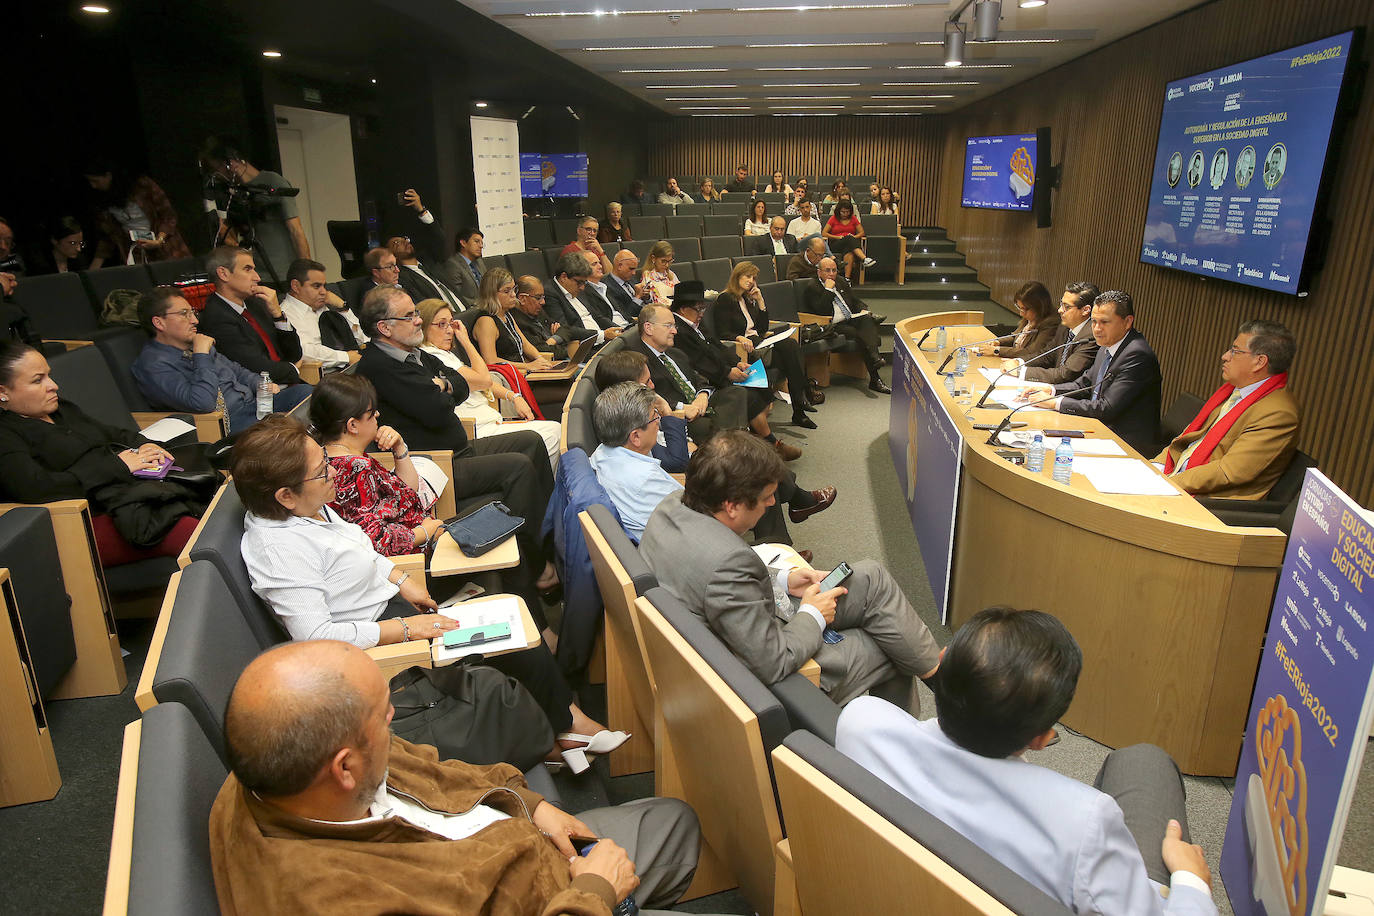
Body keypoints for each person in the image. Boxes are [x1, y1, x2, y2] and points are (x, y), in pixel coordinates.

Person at [209, 640, 703, 914]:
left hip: (525, 845)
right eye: (384, 715)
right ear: (343, 768)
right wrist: (596, 892)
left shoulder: (281, 764)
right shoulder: (330, 898)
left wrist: (534, 806)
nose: (393, 720)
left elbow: (441, 771)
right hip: (560, 901)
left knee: (675, 821)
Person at [836, 606, 1216, 915]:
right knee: (1145, 761)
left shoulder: (861, 723)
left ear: (943, 660)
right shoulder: (1082, 824)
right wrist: (1191, 882)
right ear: (1040, 739)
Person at [641, 431, 939, 711]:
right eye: (766, 497)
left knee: (871, 577)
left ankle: (938, 677)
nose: (773, 502)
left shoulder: (671, 506)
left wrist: (782, 579)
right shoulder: (728, 563)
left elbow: (712, 585)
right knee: (892, 646)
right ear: (731, 506)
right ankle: (904, 745)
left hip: (740, 628)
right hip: (765, 680)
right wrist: (813, 614)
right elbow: (774, 661)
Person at [351, 286, 557, 582]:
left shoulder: (412, 353)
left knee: (532, 442)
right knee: (519, 467)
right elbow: (435, 409)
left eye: (417, 313)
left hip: (459, 447)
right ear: (384, 327)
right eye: (409, 316)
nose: (418, 321)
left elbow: (460, 383)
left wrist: (444, 384)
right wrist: (445, 387)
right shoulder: (380, 366)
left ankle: (550, 545)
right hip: (436, 464)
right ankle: (538, 569)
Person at [0, 340, 205, 564]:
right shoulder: (6, 434)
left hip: (128, 494)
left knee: (210, 508)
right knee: (195, 534)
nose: (53, 385)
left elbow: (111, 433)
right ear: (3, 392)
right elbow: (37, 487)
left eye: (49, 375)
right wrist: (118, 467)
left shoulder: (61, 409)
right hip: (81, 520)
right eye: (38, 380)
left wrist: (144, 443)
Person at [132, 287, 311, 434]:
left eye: (192, 312)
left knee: (308, 394)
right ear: (159, 323)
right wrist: (201, 355)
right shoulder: (153, 365)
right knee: (289, 427)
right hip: (224, 424)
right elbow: (202, 403)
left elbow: (238, 371)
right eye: (184, 314)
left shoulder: (196, 344)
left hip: (252, 406)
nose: (194, 320)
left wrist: (260, 384)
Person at [1156, 320, 1299, 499]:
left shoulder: (1278, 414)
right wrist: (1156, 466)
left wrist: (1167, 482)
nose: (1225, 356)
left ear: (1259, 362)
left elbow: (1228, 472)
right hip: (1177, 477)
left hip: (1208, 502)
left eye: (1235, 351)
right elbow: (1187, 438)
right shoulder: (1234, 390)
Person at [417, 297, 560, 465]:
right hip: (474, 429)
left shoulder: (443, 353)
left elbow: (484, 383)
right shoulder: (432, 355)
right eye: (442, 324)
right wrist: (465, 340)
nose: (450, 331)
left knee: (554, 431)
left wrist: (513, 396)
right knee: (552, 434)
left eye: (451, 324)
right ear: (424, 326)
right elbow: (484, 380)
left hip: (487, 420)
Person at [1019, 290, 1162, 455]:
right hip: (1099, 429)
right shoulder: (1108, 344)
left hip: (1125, 444)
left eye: (1104, 322)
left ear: (1127, 322)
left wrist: (1055, 402)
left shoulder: (1137, 355)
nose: (1097, 329)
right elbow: (1085, 384)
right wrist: (1050, 390)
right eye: (1093, 321)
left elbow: (1106, 408)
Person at [667, 281, 798, 459]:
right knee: (750, 395)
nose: (702, 313)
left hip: (720, 371)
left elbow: (717, 345)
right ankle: (769, 443)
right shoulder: (679, 331)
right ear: (683, 309)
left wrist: (737, 363)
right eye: (699, 308)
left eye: (703, 308)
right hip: (707, 378)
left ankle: (762, 443)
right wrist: (727, 372)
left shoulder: (694, 322)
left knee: (762, 386)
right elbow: (698, 362)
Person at [713, 261, 814, 427]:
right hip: (746, 348)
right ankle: (800, 403)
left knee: (791, 349)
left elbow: (761, 328)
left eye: (753, 277)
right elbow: (722, 332)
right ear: (737, 276)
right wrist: (739, 338)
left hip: (759, 342)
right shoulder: (725, 299)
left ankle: (799, 408)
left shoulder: (747, 297)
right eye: (747, 276)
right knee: (790, 347)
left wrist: (760, 301)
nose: (751, 280)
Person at [589, 382, 688, 542]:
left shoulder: (603, 451)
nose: (658, 421)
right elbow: (695, 518)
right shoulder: (646, 480)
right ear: (635, 436)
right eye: (654, 416)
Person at [198, 139, 309, 282]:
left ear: (231, 163)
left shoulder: (273, 182)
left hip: (284, 271)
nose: (217, 175)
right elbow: (231, 236)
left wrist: (306, 273)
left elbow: (296, 230)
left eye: (218, 169)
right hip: (255, 273)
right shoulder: (233, 192)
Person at [197, 246, 304, 384]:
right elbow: (257, 368)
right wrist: (293, 369)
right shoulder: (216, 317)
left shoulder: (256, 304)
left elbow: (294, 353)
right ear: (223, 274)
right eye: (247, 269)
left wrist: (277, 314)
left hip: (284, 382)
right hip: (258, 392)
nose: (257, 277)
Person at [592, 351, 690, 473]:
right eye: (647, 381)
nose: (652, 385)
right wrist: (666, 411)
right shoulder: (629, 423)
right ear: (631, 390)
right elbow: (677, 463)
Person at [803, 257, 890, 394]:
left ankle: (875, 357)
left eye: (834, 270)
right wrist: (828, 291)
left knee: (866, 319)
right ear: (819, 272)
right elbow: (822, 312)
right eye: (827, 271)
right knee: (859, 334)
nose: (832, 274)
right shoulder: (812, 287)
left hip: (851, 317)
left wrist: (863, 309)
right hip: (833, 325)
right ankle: (875, 377)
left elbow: (856, 301)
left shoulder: (841, 281)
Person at [82, 159, 190, 266]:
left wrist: (159, 240)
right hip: (137, 253)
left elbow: (168, 215)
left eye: (96, 181)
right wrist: (94, 267)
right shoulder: (102, 202)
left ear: (108, 175)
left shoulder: (141, 186)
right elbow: (108, 236)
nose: (93, 186)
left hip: (167, 248)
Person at [1001, 281, 1100, 386]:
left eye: (1067, 307)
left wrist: (1021, 372)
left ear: (1085, 310)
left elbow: (1066, 374)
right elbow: (1047, 355)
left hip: (1070, 395)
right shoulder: (1065, 327)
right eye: (1061, 304)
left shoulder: (1091, 337)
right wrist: (1019, 362)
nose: (1059, 310)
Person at [386, 190, 468, 313]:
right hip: (447, 320)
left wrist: (421, 210)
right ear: (391, 255)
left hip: (466, 310)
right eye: (396, 243)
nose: (404, 242)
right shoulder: (403, 278)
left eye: (404, 239)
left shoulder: (429, 261)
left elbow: (439, 238)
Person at [279, 258, 364, 371]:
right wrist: (346, 357)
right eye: (316, 286)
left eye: (324, 286)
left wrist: (343, 307)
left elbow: (364, 339)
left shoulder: (322, 308)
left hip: (351, 366)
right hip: (323, 375)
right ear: (296, 286)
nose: (324, 292)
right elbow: (303, 351)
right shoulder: (286, 314)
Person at [472, 267, 558, 372]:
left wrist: (540, 360)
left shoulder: (506, 314)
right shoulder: (486, 321)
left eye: (513, 289)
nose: (513, 295)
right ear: (492, 294)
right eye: (507, 291)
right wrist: (528, 366)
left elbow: (525, 344)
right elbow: (491, 361)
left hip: (521, 371)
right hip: (508, 376)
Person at [544, 253, 625, 349]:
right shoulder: (550, 294)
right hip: (583, 348)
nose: (582, 287)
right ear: (564, 277)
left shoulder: (577, 287)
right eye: (579, 282)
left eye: (585, 282)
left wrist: (621, 331)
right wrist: (602, 334)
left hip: (601, 342)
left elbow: (597, 317)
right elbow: (565, 329)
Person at [972, 281, 1063, 363]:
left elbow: (1031, 351)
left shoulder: (1051, 323)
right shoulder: (1031, 317)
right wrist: (998, 342)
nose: (1021, 313)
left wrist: (997, 350)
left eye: (1024, 309)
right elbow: (1016, 337)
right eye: (1019, 308)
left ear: (1038, 306)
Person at [511, 274, 597, 360]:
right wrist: (558, 341)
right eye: (538, 297)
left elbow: (564, 329)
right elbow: (545, 353)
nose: (543, 302)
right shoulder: (518, 323)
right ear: (522, 299)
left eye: (543, 297)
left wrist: (552, 341)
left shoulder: (537, 312)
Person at [824, 200, 874, 281]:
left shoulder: (853, 218)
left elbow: (862, 232)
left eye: (847, 212)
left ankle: (847, 279)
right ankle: (864, 258)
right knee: (848, 238)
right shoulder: (833, 218)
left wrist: (854, 237)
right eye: (843, 212)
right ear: (838, 211)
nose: (845, 214)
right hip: (836, 244)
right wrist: (837, 237)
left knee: (849, 252)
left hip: (850, 245)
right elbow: (824, 233)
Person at [442, 227, 486, 308]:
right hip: (472, 308)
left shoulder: (479, 261)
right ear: (463, 243)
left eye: (482, 243)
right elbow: (456, 296)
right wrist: (482, 304)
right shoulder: (453, 264)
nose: (481, 246)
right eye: (476, 242)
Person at [605, 249, 652, 319]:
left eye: (635, 269)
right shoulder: (607, 287)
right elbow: (626, 316)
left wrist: (646, 297)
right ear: (619, 266)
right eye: (631, 269)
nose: (634, 273)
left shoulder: (630, 278)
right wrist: (638, 297)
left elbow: (645, 302)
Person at [642, 240, 679, 306]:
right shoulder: (647, 275)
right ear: (653, 258)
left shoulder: (671, 274)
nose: (667, 265)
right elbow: (650, 301)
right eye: (663, 261)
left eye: (670, 261)